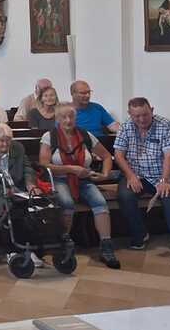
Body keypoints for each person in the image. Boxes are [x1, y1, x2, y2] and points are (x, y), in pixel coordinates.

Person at [39, 104, 120, 268]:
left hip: (84, 179)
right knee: (67, 203)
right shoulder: (50, 137)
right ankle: (63, 245)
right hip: (60, 179)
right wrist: (71, 169)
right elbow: (44, 165)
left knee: (100, 203)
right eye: (64, 117)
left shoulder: (85, 135)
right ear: (57, 119)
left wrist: (104, 174)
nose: (68, 120)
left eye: (71, 116)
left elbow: (106, 156)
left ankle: (106, 247)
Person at [114, 98, 170, 264]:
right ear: (130, 114)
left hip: (162, 176)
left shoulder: (164, 125)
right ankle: (140, 234)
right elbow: (119, 155)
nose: (141, 119)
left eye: (145, 115)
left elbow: (169, 155)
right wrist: (130, 176)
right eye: (137, 116)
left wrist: (164, 180)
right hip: (137, 176)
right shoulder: (126, 127)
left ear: (152, 110)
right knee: (124, 196)